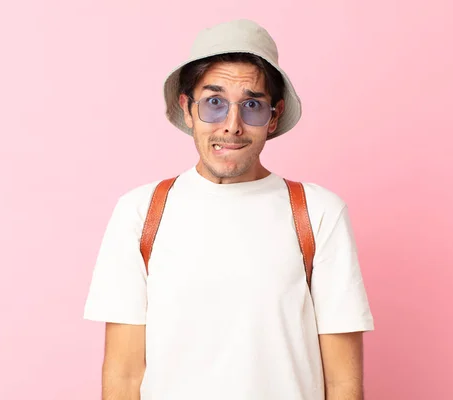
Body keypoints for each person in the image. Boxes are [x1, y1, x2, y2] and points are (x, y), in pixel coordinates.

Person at [83, 19, 374, 400]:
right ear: (187, 109)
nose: (232, 126)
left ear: (273, 116)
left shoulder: (317, 213)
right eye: (214, 103)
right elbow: (123, 376)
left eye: (251, 105)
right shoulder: (140, 212)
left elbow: (342, 381)